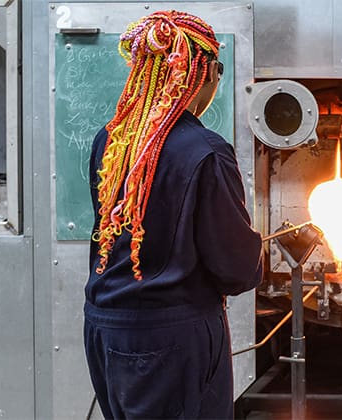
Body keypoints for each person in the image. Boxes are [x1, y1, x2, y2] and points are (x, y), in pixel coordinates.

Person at [83, 10, 263, 419]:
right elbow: (235, 270)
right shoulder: (206, 150)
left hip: (106, 327)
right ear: (203, 73)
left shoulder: (110, 141)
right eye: (217, 70)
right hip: (171, 338)